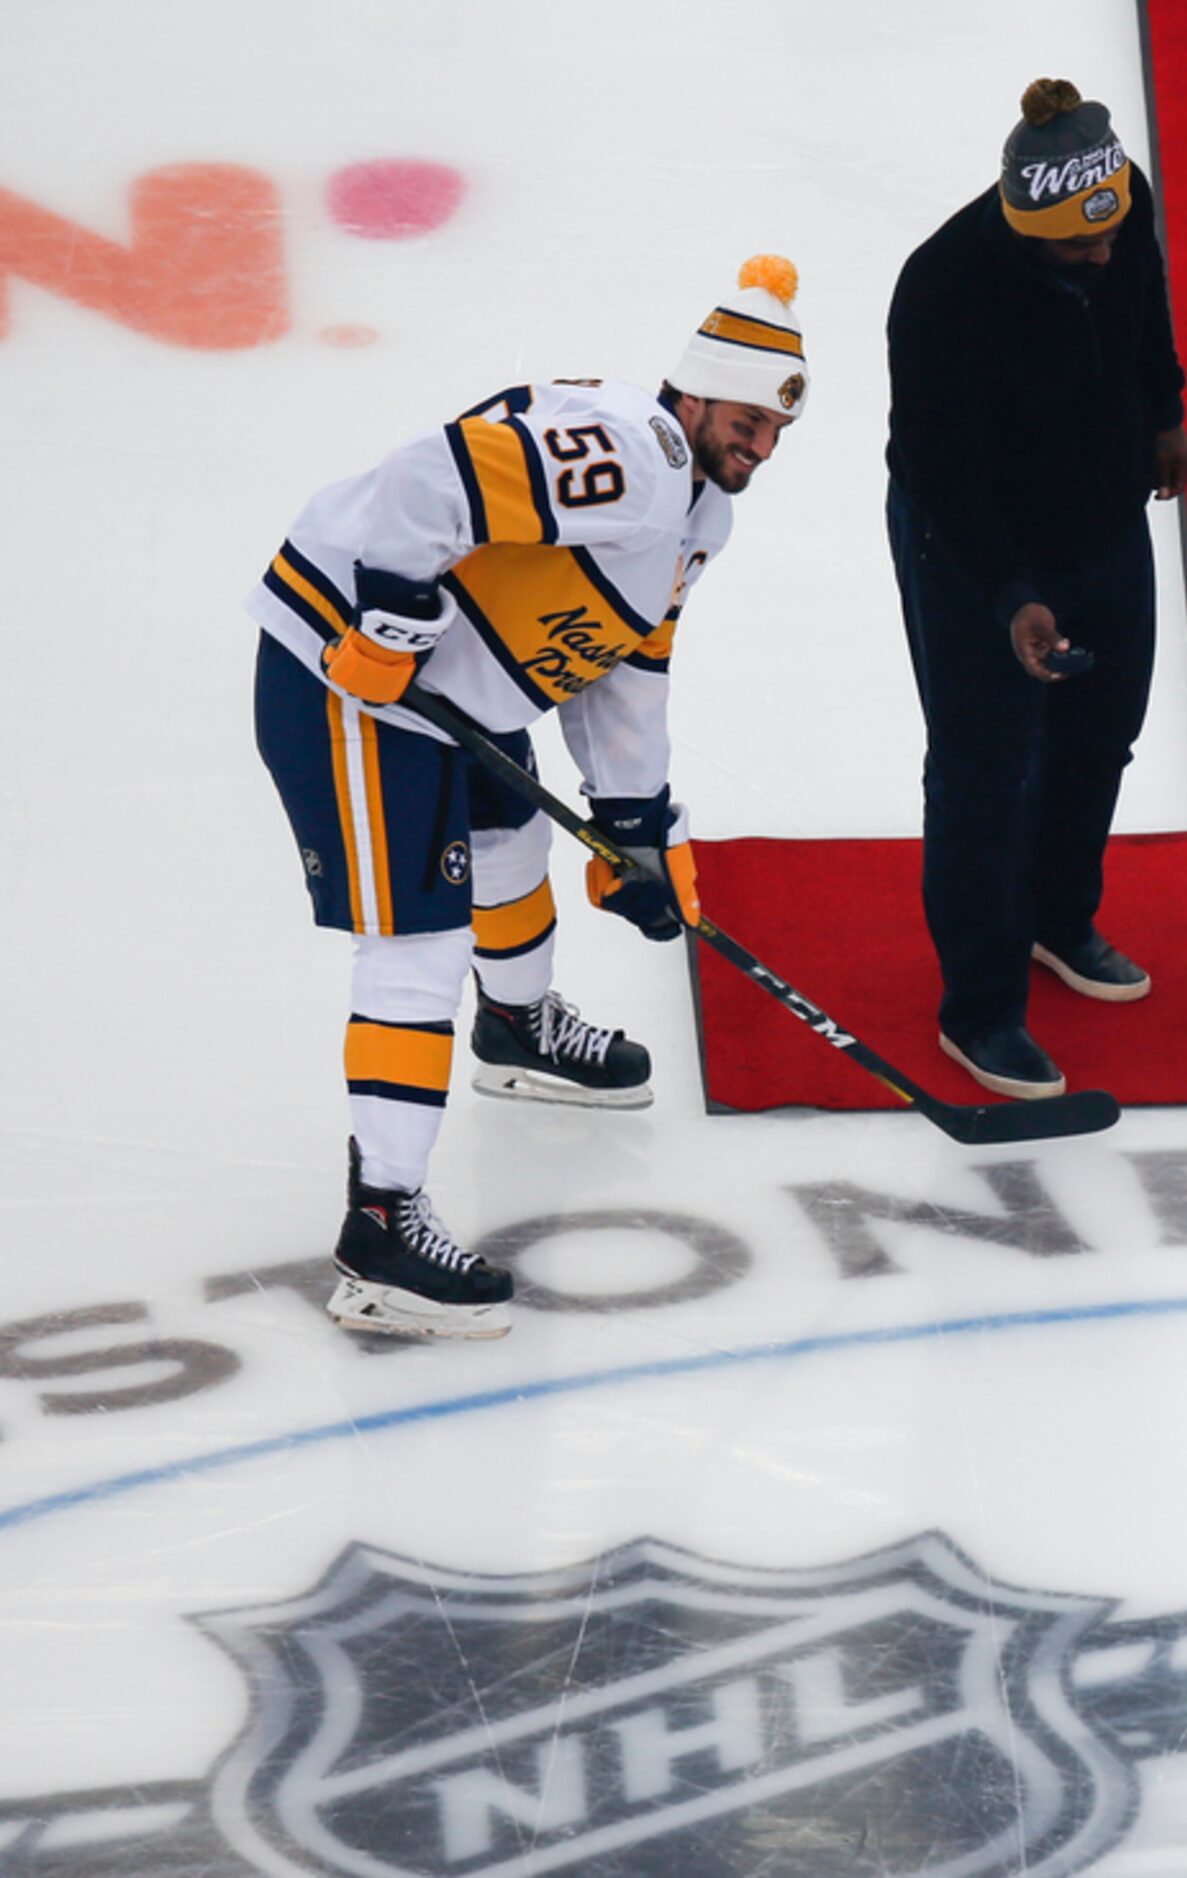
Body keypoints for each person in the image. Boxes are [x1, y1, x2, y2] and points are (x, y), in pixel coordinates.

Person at [249, 257, 808, 1339]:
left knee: (509, 845)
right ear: (693, 394)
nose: (762, 446)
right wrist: (397, 614)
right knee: (416, 946)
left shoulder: (699, 515)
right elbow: (428, 480)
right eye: (747, 419)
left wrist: (635, 824)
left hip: (457, 682)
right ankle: (381, 1228)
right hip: (349, 679)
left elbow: (624, 667)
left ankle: (517, 1028)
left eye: (779, 431)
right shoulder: (628, 456)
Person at [885, 77, 1187, 1101]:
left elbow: (1142, 301)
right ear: (1024, 233)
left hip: (1101, 515)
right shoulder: (940, 290)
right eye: (1077, 250)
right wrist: (1009, 594)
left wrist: (1164, 414)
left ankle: (1058, 921)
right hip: (977, 542)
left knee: (1099, 733)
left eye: (1108, 235)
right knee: (982, 771)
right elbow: (941, 473)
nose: (1100, 257)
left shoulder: (1118, 203)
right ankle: (979, 1009)